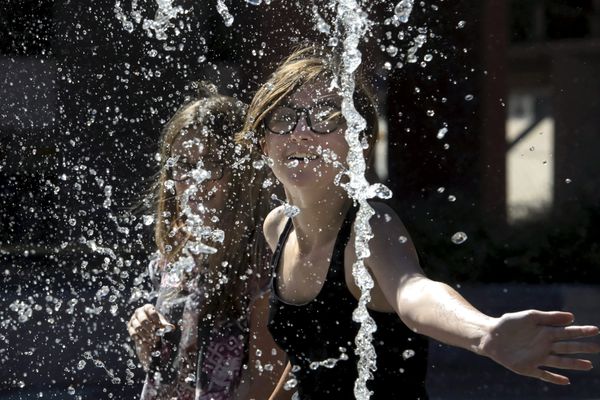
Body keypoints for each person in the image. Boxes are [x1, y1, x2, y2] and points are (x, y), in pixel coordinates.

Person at [237, 46, 600, 400]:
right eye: (284, 117)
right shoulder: (277, 227)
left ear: (359, 141)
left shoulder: (370, 227)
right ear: (263, 143)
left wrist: (484, 332)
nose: (301, 131)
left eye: (327, 117)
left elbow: (413, 292)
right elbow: (310, 357)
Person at [127, 81, 284, 400]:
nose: (195, 179)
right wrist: (148, 340)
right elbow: (171, 372)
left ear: (242, 172)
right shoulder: (174, 254)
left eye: (212, 163)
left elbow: (268, 383)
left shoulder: (263, 263)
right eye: (183, 166)